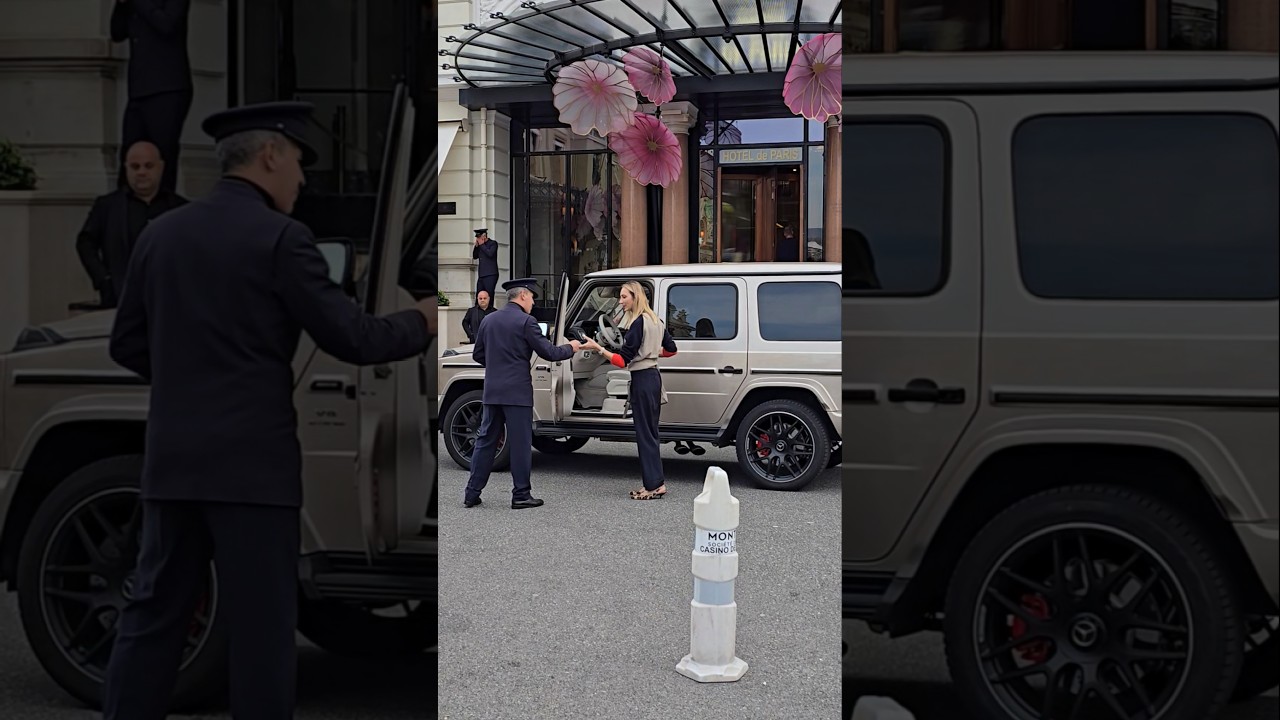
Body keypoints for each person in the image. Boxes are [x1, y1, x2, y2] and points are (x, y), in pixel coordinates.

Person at [101, 100, 436, 720]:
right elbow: (355, 339)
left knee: (152, 615)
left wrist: (187, 378)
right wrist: (422, 318)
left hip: (172, 462)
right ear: (270, 155)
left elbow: (126, 342)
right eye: (298, 163)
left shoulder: (161, 234)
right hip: (253, 471)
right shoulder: (283, 239)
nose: (303, 179)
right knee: (260, 633)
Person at [465, 278, 581, 510]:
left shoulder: (489, 320)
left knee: (486, 440)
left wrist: (498, 365)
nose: (533, 302)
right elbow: (549, 352)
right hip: (517, 392)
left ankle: (471, 493)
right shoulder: (527, 322)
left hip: (493, 390)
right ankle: (521, 494)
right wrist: (573, 348)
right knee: (520, 444)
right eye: (532, 297)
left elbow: (478, 355)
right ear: (523, 296)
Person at [581, 281, 678, 500]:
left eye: (624, 297)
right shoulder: (656, 320)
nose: (621, 301)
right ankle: (657, 483)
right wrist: (650, 353)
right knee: (651, 433)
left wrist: (598, 348)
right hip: (654, 378)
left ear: (635, 297)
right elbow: (672, 350)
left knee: (645, 435)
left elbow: (622, 361)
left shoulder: (637, 324)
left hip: (642, 380)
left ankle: (652, 486)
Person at [75, 140, 186, 307]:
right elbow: (85, 243)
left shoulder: (181, 208)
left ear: (161, 167)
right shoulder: (107, 206)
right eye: (135, 167)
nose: (141, 172)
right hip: (121, 298)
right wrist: (103, 280)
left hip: (171, 299)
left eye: (148, 166)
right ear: (126, 168)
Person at [111, 0, 193, 193]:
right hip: (139, 89)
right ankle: (125, 212)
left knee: (162, 157)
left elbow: (167, 25)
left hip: (168, 87)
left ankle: (162, 213)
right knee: (130, 154)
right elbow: (117, 33)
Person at [472, 227, 498, 299]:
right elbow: (475, 256)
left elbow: (490, 254)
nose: (478, 239)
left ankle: (489, 310)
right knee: (479, 294)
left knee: (489, 295)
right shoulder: (480, 246)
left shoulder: (493, 243)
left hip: (491, 274)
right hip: (482, 274)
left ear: (484, 236)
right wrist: (476, 247)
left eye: (479, 237)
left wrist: (482, 245)